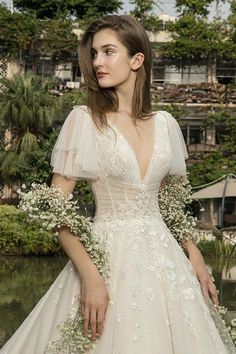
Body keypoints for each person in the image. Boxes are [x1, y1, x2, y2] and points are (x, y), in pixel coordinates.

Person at [1, 15, 235, 354]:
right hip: (106, 258)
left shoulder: (167, 124)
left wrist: (192, 249)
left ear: (136, 59)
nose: (97, 62)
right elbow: (55, 209)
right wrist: (91, 277)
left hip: (166, 265)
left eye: (108, 51)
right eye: (94, 54)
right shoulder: (85, 120)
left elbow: (171, 203)